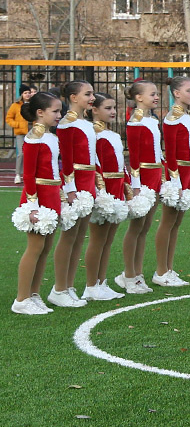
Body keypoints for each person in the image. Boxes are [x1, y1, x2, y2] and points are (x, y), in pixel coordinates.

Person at [156, 76, 190, 286]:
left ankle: (169, 269)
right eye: (189, 90)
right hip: (177, 172)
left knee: (176, 223)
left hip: (187, 171)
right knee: (168, 222)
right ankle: (161, 271)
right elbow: (170, 153)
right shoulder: (173, 118)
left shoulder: (185, 116)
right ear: (176, 93)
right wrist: (176, 182)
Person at [10, 92, 63, 315]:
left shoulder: (51, 136)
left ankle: (34, 293)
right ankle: (21, 299)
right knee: (35, 248)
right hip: (38, 197)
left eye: (60, 111)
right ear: (40, 113)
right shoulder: (33, 138)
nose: (60, 115)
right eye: (55, 111)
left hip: (51, 194)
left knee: (45, 249)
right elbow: (29, 175)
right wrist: (32, 206)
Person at [49, 81, 99, 308]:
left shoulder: (85, 122)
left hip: (88, 181)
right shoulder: (67, 124)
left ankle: (68, 286)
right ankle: (58, 288)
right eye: (87, 94)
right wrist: (70, 190)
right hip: (76, 182)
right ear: (73, 97)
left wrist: (97, 183)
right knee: (69, 236)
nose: (92, 97)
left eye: (92, 93)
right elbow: (66, 160)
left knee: (79, 237)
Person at [118, 79, 163, 295]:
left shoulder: (151, 119)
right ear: (138, 97)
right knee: (136, 228)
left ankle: (138, 273)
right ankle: (128, 275)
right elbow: (134, 157)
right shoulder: (135, 121)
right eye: (152, 94)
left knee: (145, 228)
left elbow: (157, 151)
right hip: (143, 177)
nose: (156, 97)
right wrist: (136, 187)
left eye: (157, 94)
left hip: (155, 174)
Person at [82, 93, 128, 300]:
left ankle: (102, 282)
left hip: (117, 187)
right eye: (107, 108)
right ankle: (91, 285)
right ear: (95, 110)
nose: (112, 112)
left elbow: (120, 163)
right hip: (104, 188)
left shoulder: (112, 134)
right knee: (97, 239)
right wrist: (100, 192)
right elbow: (93, 164)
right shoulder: (94, 134)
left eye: (114, 108)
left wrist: (126, 185)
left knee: (108, 240)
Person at [6, 83, 36, 185]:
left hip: (33, 132)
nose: (27, 94)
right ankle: (18, 174)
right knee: (21, 154)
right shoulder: (16, 105)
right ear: (21, 94)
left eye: (29, 92)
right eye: (25, 93)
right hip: (21, 132)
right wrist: (17, 125)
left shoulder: (34, 104)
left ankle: (30, 174)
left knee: (33, 153)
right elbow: (9, 118)